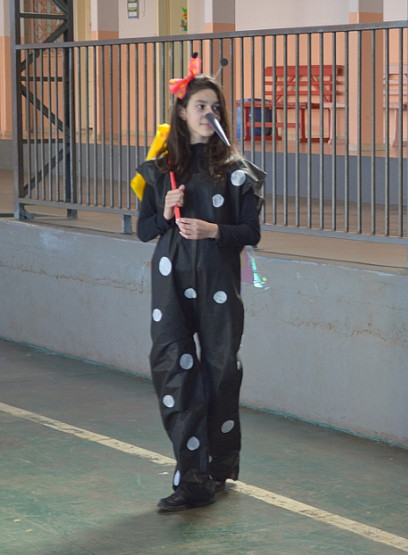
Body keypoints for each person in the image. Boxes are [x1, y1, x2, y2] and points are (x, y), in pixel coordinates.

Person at [136, 58, 265, 512]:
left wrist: (214, 232)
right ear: (183, 112)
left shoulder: (236, 172)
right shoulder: (160, 169)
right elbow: (144, 230)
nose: (209, 115)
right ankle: (190, 478)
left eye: (215, 108)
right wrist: (164, 210)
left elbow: (251, 233)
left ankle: (218, 467)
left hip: (218, 284)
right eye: (200, 106)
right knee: (174, 370)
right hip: (170, 283)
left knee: (219, 372)